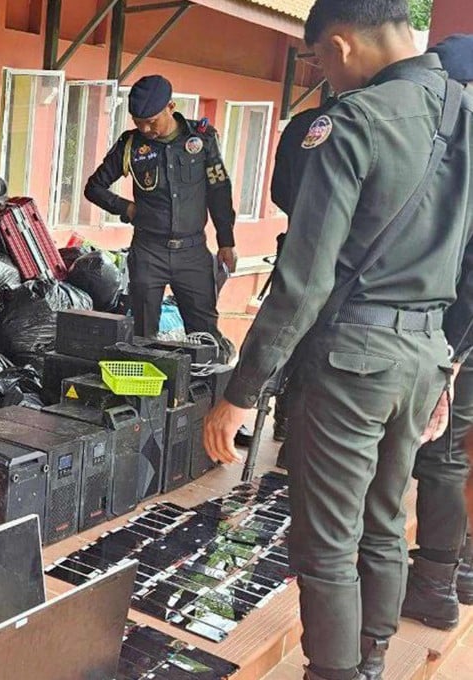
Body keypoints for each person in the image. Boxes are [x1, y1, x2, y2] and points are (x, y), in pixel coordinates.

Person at [203, 3, 473, 680]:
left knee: (326, 540)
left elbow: (303, 281)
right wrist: (448, 362)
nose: (323, 73)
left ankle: (334, 672)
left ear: (343, 45)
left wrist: (241, 392)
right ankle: (371, 660)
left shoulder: (353, 122)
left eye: (319, 58)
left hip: (354, 359)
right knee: (383, 519)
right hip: (425, 354)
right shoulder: (465, 113)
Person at [400, 33, 473, 632]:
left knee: (443, 457)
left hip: (460, 336)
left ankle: (434, 587)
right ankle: (457, 572)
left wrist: (449, 355)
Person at [84, 75, 237, 342]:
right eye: (138, 121)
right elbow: (94, 187)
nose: (145, 128)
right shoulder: (131, 145)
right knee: (142, 335)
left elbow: (219, 192)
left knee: (205, 336)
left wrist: (226, 242)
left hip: (193, 253)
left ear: (171, 106)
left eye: (151, 121)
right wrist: (127, 209)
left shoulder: (201, 140)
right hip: (148, 252)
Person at [234, 99, 336, 452]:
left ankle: (284, 420)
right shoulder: (378, 122)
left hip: (297, 248)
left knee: (291, 335)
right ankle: (297, 430)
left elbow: (279, 191)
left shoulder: (303, 123)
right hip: (347, 265)